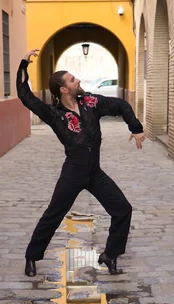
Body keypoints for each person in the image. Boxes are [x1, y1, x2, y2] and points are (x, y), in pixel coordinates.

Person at [17, 49, 145, 277]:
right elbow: (25, 96)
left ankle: (110, 255)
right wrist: (23, 65)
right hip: (73, 173)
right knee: (53, 215)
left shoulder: (91, 103)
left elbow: (121, 105)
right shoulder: (54, 114)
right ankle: (31, 256)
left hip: (95, 173)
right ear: (63, 89)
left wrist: (135, 128)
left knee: (123, 209)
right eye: (73, 80)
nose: (79, 81)